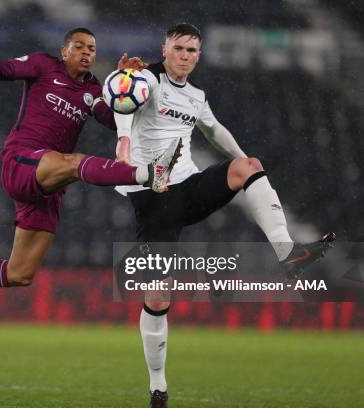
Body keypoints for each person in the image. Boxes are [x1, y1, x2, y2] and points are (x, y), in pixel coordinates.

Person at [113, 23, 335, 408]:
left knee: (248, 166)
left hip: (188, 188)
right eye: (179, 48)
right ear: (165, 50)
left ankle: (287, 252)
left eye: (192, 51)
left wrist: (244, 161)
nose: (185, 56)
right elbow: (120, 103)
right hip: (154, 196)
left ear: (199, 56)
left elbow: (214, 130)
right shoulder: (145, 78)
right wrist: (124, 140)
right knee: (159, 294)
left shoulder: (196, 96)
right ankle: (158, 386)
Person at [0, 28, 181, 311]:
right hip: (21, 161)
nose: (87, 53)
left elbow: (112, 119)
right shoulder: (44, 65)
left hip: (47, 186)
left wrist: (122, 85)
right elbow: (6, 67)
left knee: (19, 274)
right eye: (80, 47)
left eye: (92, 49)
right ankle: (148, 174)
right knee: (73, 162)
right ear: (65, 51)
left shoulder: (93, 90)